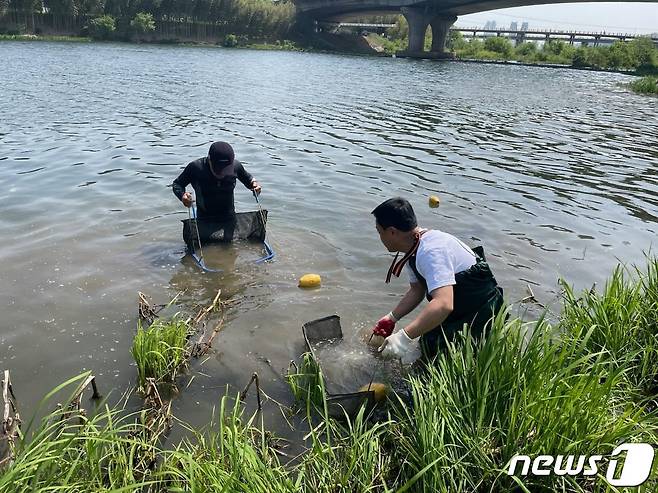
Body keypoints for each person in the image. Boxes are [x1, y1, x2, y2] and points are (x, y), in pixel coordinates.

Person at [371, 197, 504, 362]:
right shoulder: (413, 247)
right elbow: (417, 290)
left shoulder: (431, 251)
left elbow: (443, 304)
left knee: (450, 361)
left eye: (379, 232)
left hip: (480, 311)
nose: (380, 238)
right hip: (458, 308)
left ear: (392, 232)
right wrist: (392, 318)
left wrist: (404, 337)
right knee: (426, 350)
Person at [172, 141, 261, 221]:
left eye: (226, 170)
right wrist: (183, 196)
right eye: (219, 169)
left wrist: (255, 185)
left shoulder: (236, 166)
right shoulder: (196, 168)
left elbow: (249, 180)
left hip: (229, 217)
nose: (222, 174)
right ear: (209, 160)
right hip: (204, 218)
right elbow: (177, 184)